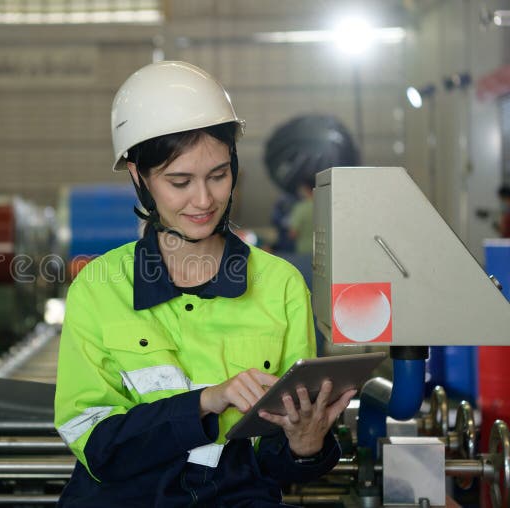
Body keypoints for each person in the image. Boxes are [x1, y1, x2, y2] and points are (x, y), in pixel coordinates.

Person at [53, 61, 355, 507]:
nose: (204, 200)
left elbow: (275, 460)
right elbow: (100, 447)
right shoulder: (98, 288)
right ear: (139, 178)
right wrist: (207, 401)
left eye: (218, 175)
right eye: (180, 181)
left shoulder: (280, 285)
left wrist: (305, 445)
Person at [287, 177, 315, 255]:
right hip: (322, 251)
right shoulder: (324, 205)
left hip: (304, 251)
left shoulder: (301, 208)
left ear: (306, 189)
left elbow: (293, 233)